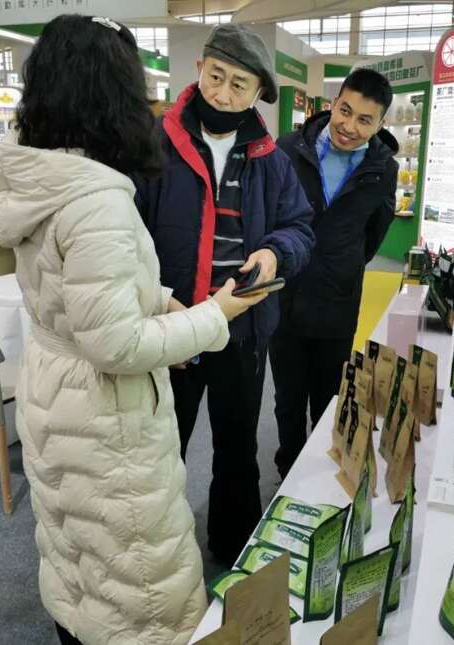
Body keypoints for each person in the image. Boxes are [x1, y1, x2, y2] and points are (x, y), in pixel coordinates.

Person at [0, 15, 265, 645]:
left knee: (78, 558)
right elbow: (116, 345)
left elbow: (75, 293)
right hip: (105, 418)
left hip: (57, 397)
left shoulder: (38, 177)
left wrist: (159, 300)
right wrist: (213, 316)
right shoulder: (96, 199)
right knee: (138, 589)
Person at [134, 24, 315, 566]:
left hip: (243, 330)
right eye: (216, 77)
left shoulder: (270, 157)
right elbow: (129, 234)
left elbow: (300, 227)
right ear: (199, 70)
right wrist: (161, 296)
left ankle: (233, 545)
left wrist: (275, 253)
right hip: (173, 325)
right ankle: (154, 553)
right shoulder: (153, 146)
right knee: (163, 446)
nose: (223, 94)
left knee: (237, 448)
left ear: (258, 92)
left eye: (240, 85)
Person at [271, 68, 399, 478]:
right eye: (345, 111)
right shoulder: (289, 149)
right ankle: (288, 468)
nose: (349, 126)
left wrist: (342, 264)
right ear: (334, 103)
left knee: (329, 399)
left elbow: (374, 234)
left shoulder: (383, 169)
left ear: (380, 124)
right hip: (285, 300)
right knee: (287, 401)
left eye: (365, 120)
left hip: (337, 305)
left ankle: (319, 475)